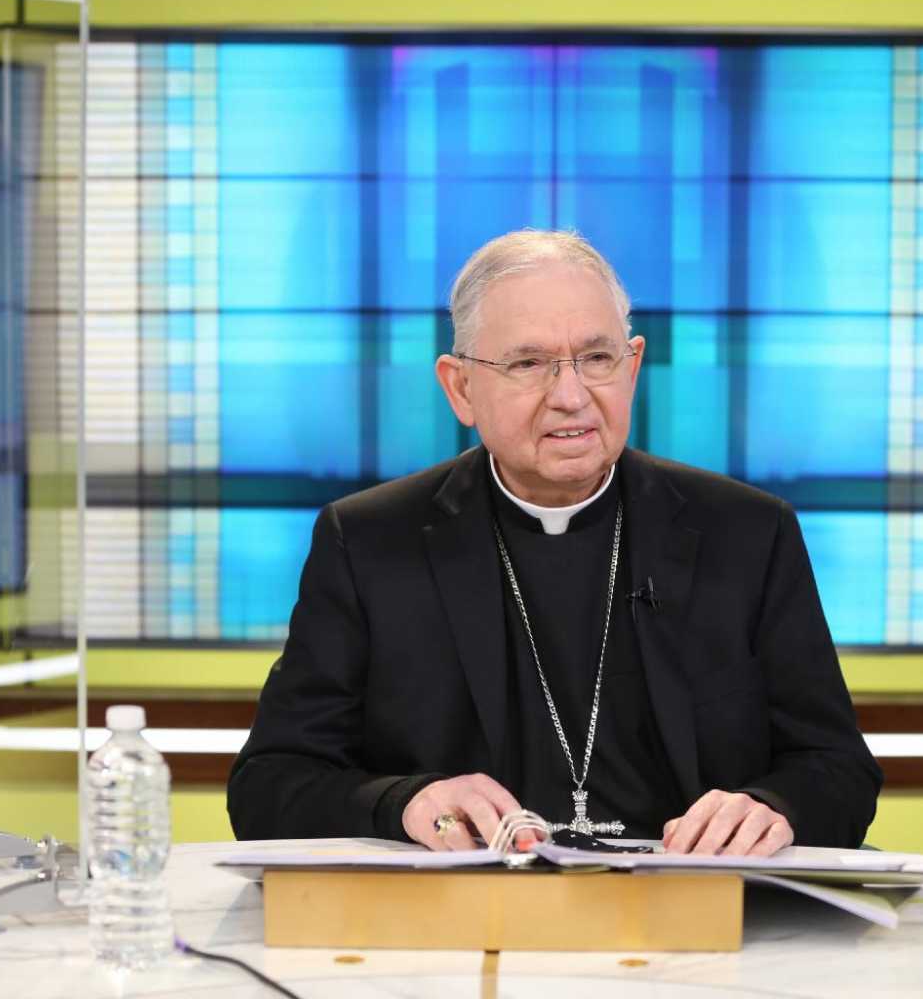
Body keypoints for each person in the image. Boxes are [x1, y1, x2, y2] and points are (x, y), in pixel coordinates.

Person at [228, 230, 882, 856]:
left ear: (633, 367)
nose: (571, 396)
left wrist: (772, 808)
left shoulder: (746, 533)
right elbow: (268, 788)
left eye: (597, 359)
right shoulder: (369, 541)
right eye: (529, 363)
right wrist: (404, 802)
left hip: (690, 921)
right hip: (459, 930)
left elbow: (838, 771)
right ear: (460, 387)